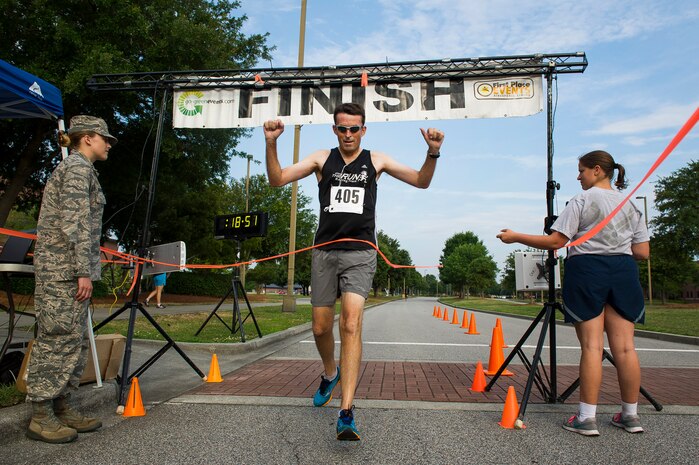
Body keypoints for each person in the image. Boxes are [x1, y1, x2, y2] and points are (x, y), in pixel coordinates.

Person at [264, 103, 444, 441]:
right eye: (342, 128)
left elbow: (421, 182)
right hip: (324, 252)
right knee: (320, 328)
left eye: (355, 128)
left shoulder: (377, 161)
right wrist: (272, 142)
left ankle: (346, 412)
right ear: (335, 130)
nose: (349, 134)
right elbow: (277, 180)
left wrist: (432, 153)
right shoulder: (321, 158)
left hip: (361, 252)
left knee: (349, 323)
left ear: (364, 130)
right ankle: (330, 373)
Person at [497, 150, 649, 436]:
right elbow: (642, 251)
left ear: (597, 170)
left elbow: (556, 241)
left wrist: (515, 236)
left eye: (581, 171)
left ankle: (586, 418)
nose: (578, 176)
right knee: (626, 348)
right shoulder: (629, 205)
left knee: (592, 346)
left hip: (588, 270)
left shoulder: (582, 200)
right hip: (624, 272)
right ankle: (630, 416)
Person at [25, 115, 117, 443]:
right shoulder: (76, 170)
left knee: (71, 342)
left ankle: (62, 406)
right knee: (56, 340)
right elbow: (75, 224)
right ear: (87, 138)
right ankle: (40, 415)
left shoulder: (81, 170)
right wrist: (81, 272)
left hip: (69, 272)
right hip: (62, 273)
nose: (108, 144)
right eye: (104, 138)